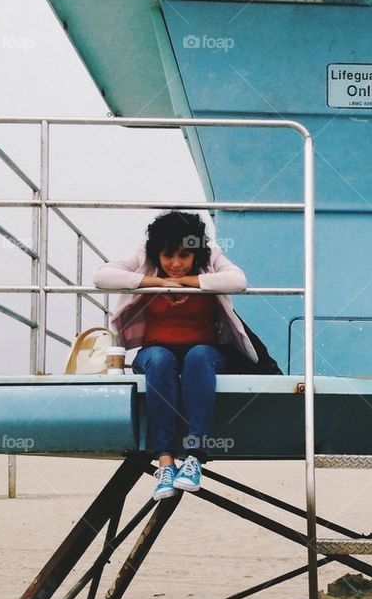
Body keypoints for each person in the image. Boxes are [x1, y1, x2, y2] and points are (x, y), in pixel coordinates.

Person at [93, 211, 278, 501]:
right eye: (168, 255)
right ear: (157, 253)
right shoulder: (146, 258)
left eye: (184, 255)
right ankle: (165, 462)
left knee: (199, 356)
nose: (176, 264)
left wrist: (189, 282)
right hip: (154, 352)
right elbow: (101, 276)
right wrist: (158, 283)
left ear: (196, 253)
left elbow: (237, 280)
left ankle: (194, 458)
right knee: (160, 359)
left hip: (205, 352)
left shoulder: (209, 258)